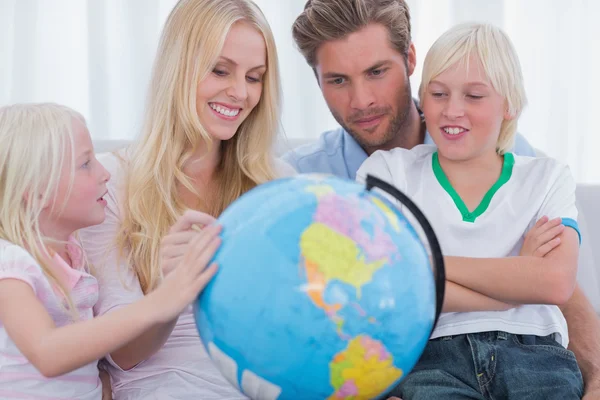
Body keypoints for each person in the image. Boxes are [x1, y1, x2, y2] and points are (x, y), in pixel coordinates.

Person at [286, 1, 600, 397]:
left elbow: (561, 288)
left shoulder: (514, 157)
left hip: (533, 357)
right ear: (315, 80)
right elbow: (350, 303)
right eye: (337, 80)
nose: (362, 100)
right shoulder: (299, 182)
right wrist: (512, 282)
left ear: (410, 59)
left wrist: (598, 378)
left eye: (377, 72)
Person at [78, 0, 294, 398]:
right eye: (220, 70)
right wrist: (170, 292)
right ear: (179, 68)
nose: (241, 93)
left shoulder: (278, 184)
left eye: (255, 77)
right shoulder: (108, 182)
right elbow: (123, 355)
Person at [356, 22, 582, 399]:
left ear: (510, 104)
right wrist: (515, 283)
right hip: (433, 358)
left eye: (474, 96)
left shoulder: (547, 177)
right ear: (422, 100)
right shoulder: (386, 173)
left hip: (537, 356)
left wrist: (425, 260)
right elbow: (388, 285)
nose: (452, 110)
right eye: (439, 93)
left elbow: (555, 282)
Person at [0, 103, 221, 399]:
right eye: (86, 163)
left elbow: (87, 355)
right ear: (38, 191)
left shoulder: (75, 254)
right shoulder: (10, 264)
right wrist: (159, 301)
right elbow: (47, 351)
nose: (105, 173)